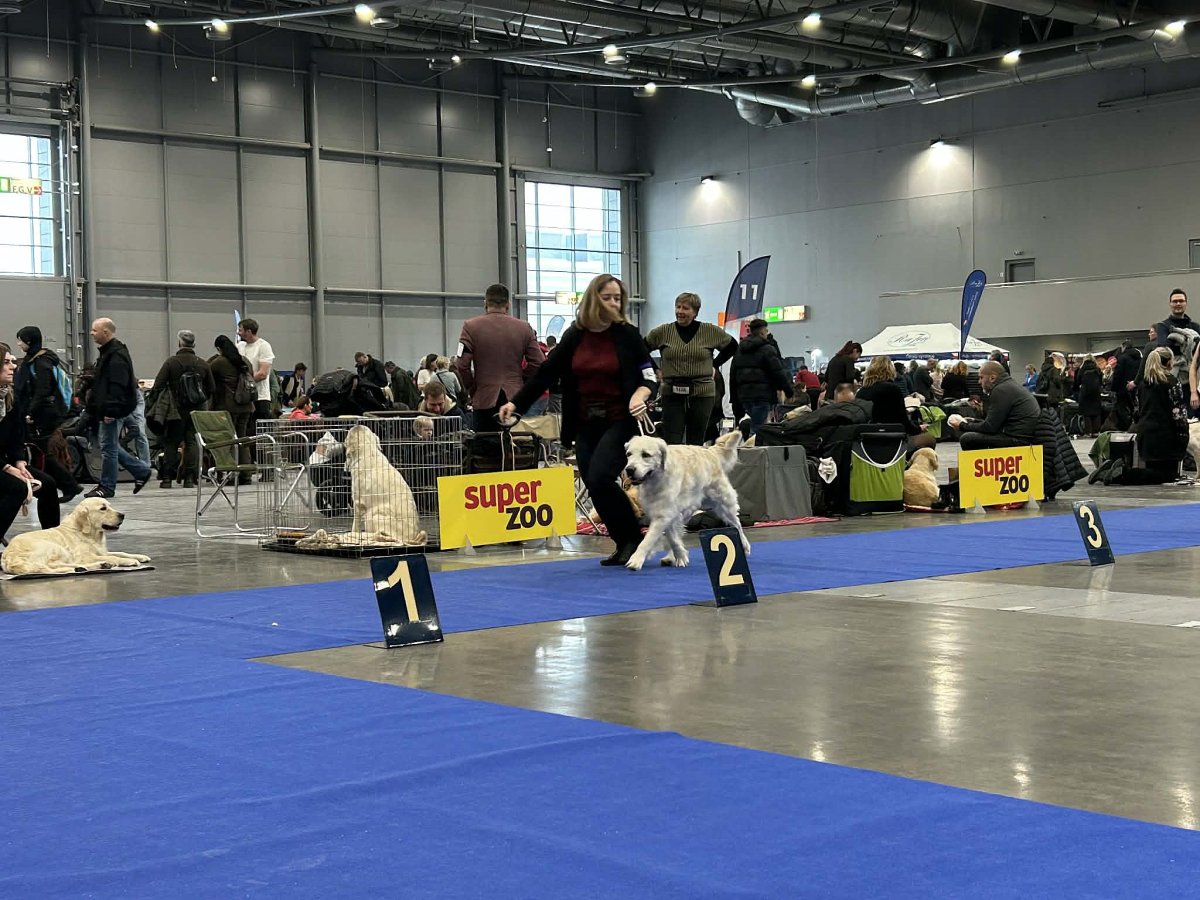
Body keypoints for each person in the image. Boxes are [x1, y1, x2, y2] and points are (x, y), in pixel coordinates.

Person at [499, 273, 656, 567]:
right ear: (593, 300)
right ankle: (623, 542)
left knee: (600, 476)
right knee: (592, 483)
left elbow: (649, 375)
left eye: (618, 298)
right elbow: (546, 373)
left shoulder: (628, 335)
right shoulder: (575, 335)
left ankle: (634, 541)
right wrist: (516, 404)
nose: (613, 303)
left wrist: (641, 393)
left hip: (620, 420)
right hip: (584, 421)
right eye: (607, 297)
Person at [643, 292, 737, 445]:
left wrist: (714, 365)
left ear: (695, 312)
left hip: (702, 392)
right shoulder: (662, 332)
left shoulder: (710, 331)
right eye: (678, 307)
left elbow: (732, 346)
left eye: (685, 308)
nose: (680, 311)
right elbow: (641, 349)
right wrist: (655, 369)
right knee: (672, 440)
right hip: (671, 392)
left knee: (697, 440)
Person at [455, 283, 545, 431]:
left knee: (484, 442)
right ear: (508, 304)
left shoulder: (470, 326)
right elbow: (539, 362)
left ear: (485, 303)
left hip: (484, 399)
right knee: (517, 442)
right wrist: (520, 379)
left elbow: (462, 365)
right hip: (515, 400)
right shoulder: (524, 327)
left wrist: (472, 387)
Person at [84, 318, 151, 499]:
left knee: (108, 448)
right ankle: (141, 471)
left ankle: (107, 485)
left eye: (94, 330)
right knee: (109, 445)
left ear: (105, 332)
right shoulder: (109, 353)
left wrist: (111, 411)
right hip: (109, 408)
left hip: (112, 410)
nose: (91, 333)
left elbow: (117, 386)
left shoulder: (116, 356)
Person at [0, 343, 62, 539]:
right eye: (6, 362)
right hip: (1, 465)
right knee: (17, 488)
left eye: (13, 362)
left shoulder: (10, 396)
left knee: (48, 484)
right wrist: (8, 468)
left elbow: (17, 436)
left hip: (6, 462)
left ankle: (52, 541)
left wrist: (19, 461)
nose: (13, 366)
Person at [14, 325, 81, 502]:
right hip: (38, 414)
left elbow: (42, 391)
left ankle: (68, 485)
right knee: (40, 452)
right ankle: (66, 485)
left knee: (41, 452)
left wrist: (30, 413)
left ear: (29, 341)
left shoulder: (41, 363)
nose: (18, 344)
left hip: (40, 416)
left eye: (20, 340)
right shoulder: (35, 360)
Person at [151, 330, 215, 489]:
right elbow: (211, 388)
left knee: (171, 443)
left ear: (179, 343)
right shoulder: (202, 364)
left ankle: (167, 478)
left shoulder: (171, 363)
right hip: (196, 410)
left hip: (175, 410)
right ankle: (189, 478)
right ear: (194, 344)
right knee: (192, 442)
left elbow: (158, 385)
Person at [948, 360, 1040, 451]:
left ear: (992, 378)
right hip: (1024, 437)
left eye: (981, 377)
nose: (979, 382)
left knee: (967, 439)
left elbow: (990, 428)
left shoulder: (1000, 391)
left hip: (1018, 440)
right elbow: (994, 423)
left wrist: (962, 425)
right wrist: (974, 421)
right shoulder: (1009, 386)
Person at [857, 356, 936, 454]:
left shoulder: (861, 392)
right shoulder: (893, 390)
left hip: (867, 442)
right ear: (890, 369)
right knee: (929, 439)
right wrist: (919, 428)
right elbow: (903, 422)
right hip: (892, 439)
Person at [729, 318, 793, 435]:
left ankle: (752, 444)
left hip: (745, 396)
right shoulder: (768, 349)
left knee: (757, 425)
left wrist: (734, 398)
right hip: (762, 396)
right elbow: (778, 372)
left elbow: (733, 375)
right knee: (758, 429)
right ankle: (752, 446)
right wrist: (789, 391)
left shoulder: (740, 349)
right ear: (763, 332)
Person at [208, 335, 256, 482]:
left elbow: (207, 375)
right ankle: (246, 474)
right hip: (246, 406)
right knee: (242, 439)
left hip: (228, 407)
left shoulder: (219, 362)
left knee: (228, 441)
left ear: (219, 348)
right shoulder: (244, 361)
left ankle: (230, 473)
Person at [235, 318, 275, 438]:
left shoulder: (263, 346)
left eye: (240, 330)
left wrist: (244, 383)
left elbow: (262, 374)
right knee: (245, 433)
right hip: (244, 399)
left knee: (260, 436)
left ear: (248, 331)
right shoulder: (239, 346)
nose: (238, 333)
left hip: (260, 398)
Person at [1074, 355, 1104, 437]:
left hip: (1085, 393)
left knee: (1086, 413)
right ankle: (1096, 432)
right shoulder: (1097, 369)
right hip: (1096, 393)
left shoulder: (1082, 369)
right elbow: (1101, 381)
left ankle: (1088, 432)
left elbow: (1078, 381)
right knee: (1096, 412)